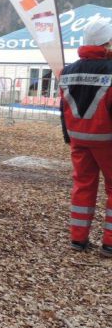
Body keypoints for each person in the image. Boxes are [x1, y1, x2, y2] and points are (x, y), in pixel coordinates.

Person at [59, 19, 112, 256]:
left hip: (78, 139)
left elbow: (63, 108)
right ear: (107, 42)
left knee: (82, 186)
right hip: (107, 139)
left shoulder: (67, 71)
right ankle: (109, 244)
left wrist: (68, 136)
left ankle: (78, 239)